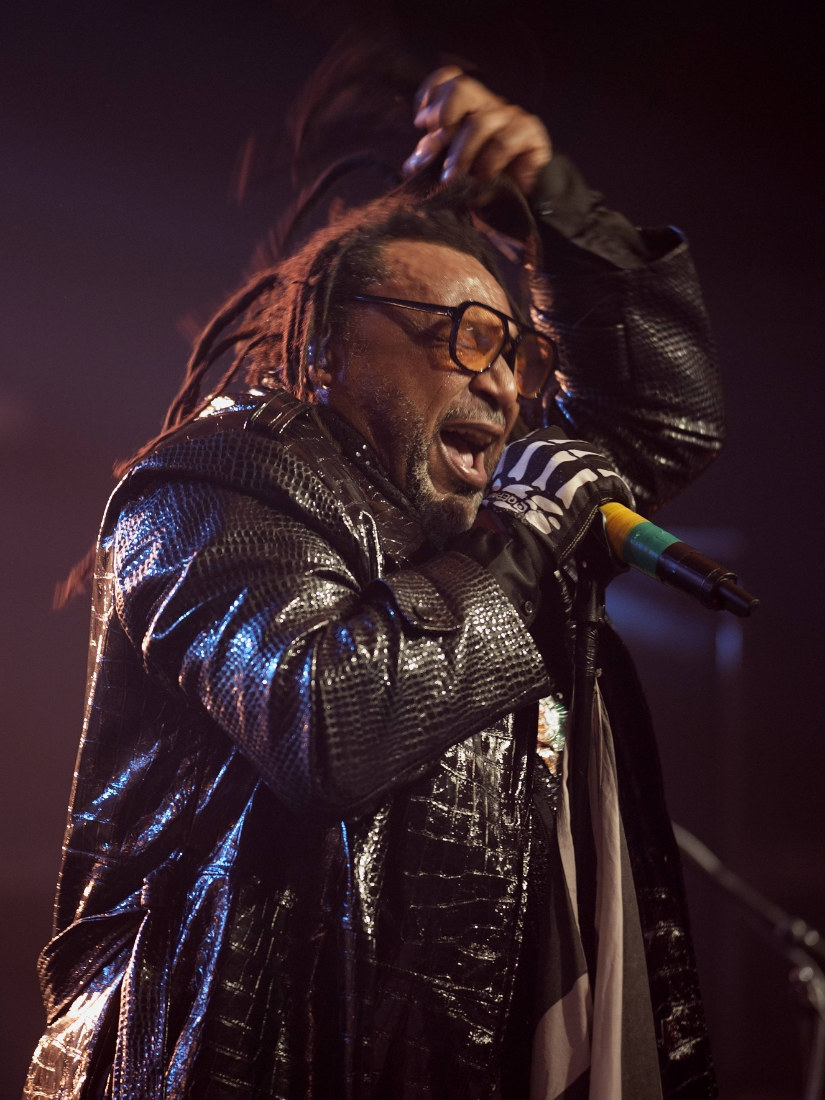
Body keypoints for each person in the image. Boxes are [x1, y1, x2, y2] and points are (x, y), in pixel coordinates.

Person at [25, 66, 724, 1099]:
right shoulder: (209, 486)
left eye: (517, 351)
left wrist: (557, 209)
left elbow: (665, 419)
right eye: (464, 336)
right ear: (325, 350)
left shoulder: (494, 533)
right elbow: (322, 720)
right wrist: (525, 539)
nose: (502, 382)